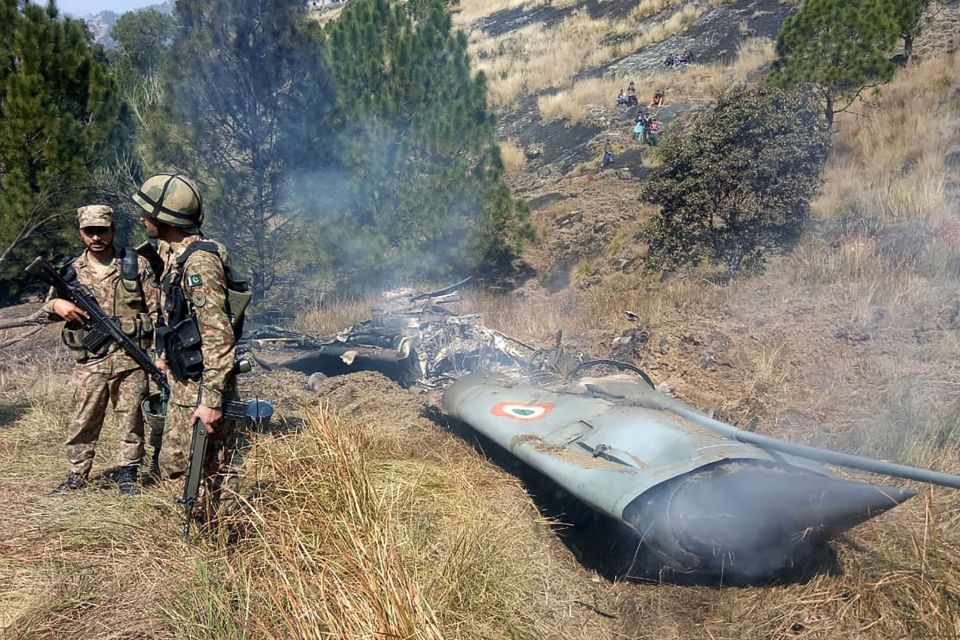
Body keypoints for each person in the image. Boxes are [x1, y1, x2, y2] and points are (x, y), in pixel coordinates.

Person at [132, 173, 245, 521]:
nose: (142, 219)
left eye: (147, 213)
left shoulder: (199, 264)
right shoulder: (176, 256)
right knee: (177, 462)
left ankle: (218, 534)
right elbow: (177, 315)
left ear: (165, 219)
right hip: (185, 380)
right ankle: (197, 525)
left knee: (207, 466)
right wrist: (165, 354)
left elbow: (219, 337)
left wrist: (211, 401)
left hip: (201, 385)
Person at [44, 205, 158, 495]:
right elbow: (48, 306)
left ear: (113, 230)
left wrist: (162, 355)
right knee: (83, 419)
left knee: (131, 419)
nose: (96, 237)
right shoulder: (70, 271)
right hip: (91, 361)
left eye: (102, 231)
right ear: (81, 233)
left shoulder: (135, 264)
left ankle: (128, 474)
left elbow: (157, 312)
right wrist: (58, 305)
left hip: (131, 358)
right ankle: (77, 475)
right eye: (89, 232)